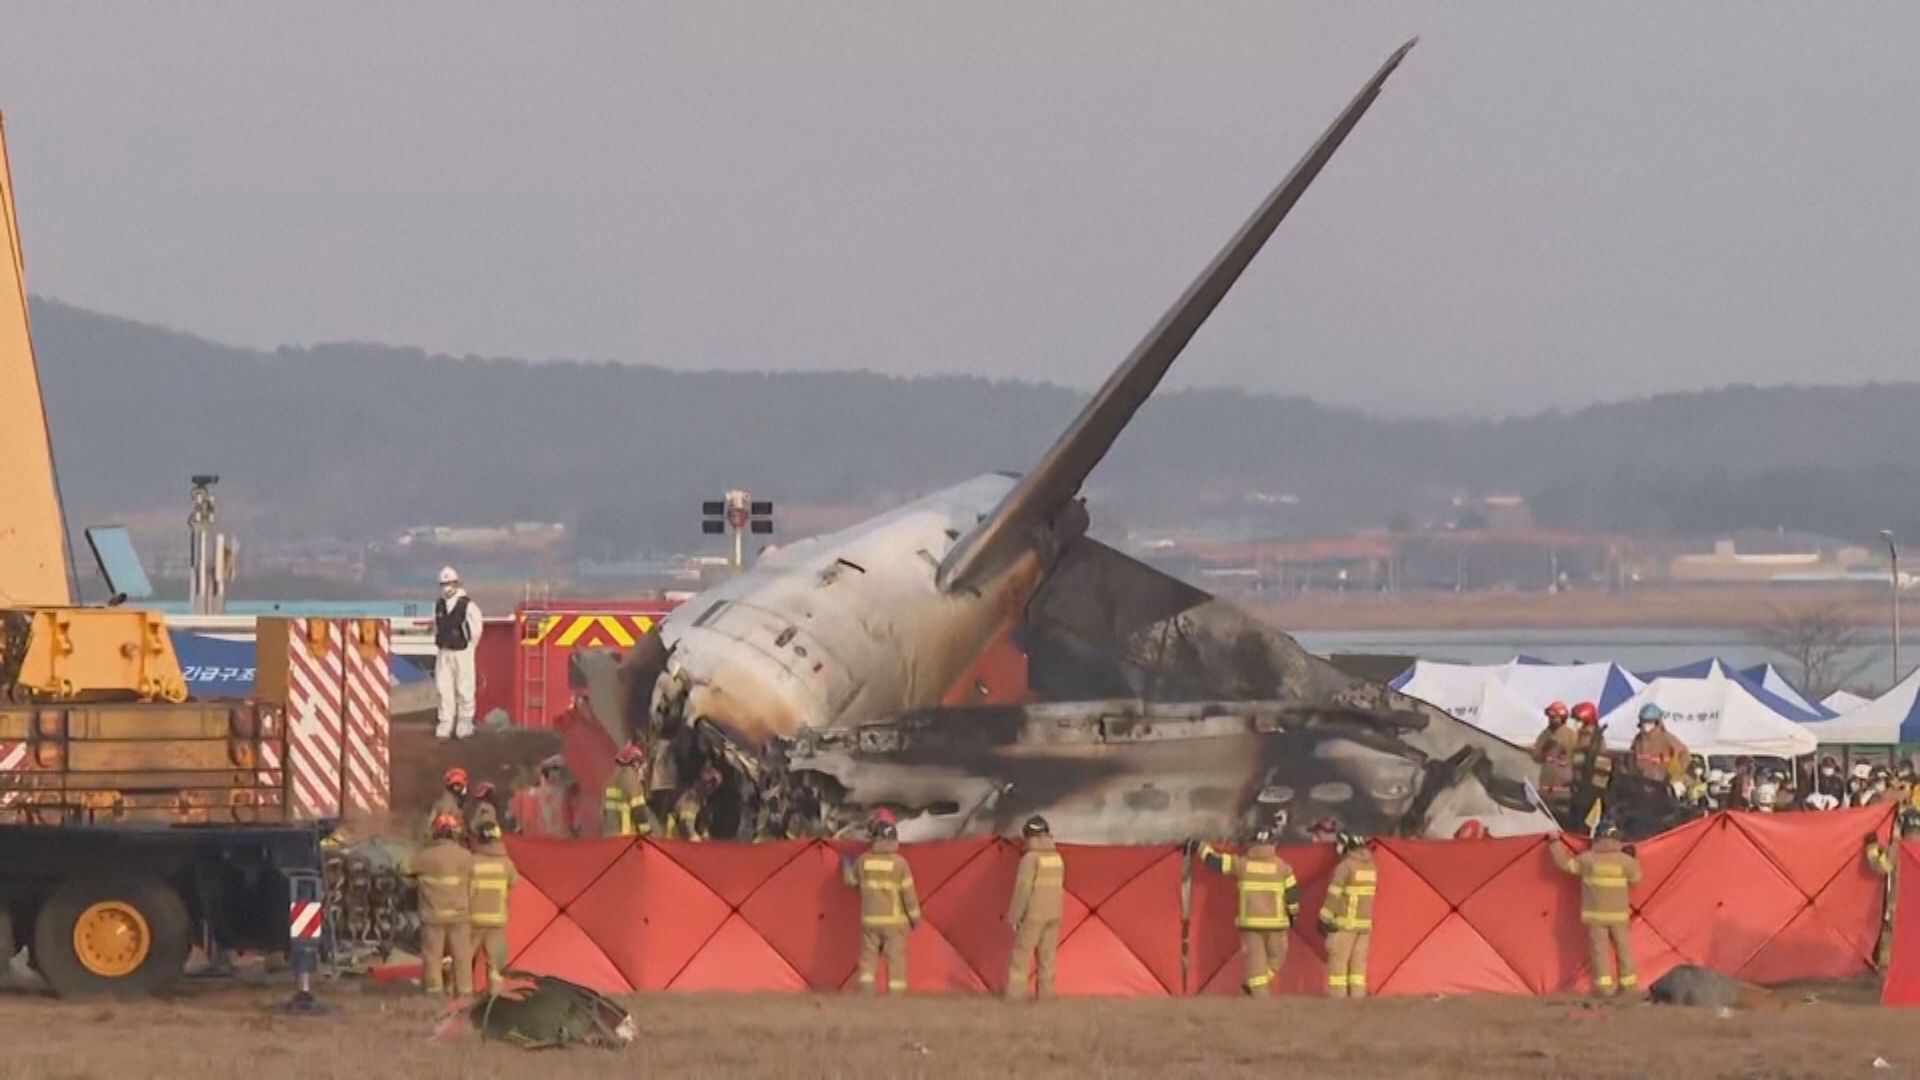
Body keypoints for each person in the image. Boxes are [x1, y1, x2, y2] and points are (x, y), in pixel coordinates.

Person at [1200, 824, 1300, 997]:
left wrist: (1199, 846)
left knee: (1256, 963)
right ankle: (1258, 995)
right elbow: (1292, 895)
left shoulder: (1242, 864)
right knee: (1276, 961)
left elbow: (1214, 862)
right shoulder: (1283, 867)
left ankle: (1255, 992)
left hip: (1250, 924)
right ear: (1273, 844)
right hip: (1276, 924)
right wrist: (1293, 915)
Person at [1552, 821, 1642, 998]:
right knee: (1624, 950)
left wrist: (1554, 843)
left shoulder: (1588, 859)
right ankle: (1628, 987)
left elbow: (1565, 864)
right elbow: (1636, 878)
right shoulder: (1625, 861)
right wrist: (1633, 858)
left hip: (1595, 917)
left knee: (1599, 952)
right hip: (1619, 916)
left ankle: (1604, 989)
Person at [842, 814, 920, 994]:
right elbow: (909, 895)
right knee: (895, 961)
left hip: (869, 921)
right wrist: (915, 918)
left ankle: (866, 993)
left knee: (868, 961)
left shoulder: (863, 861)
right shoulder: (900, 864)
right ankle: (895, 996)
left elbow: (850, 882)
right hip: (893, 922)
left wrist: (846, 864)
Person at [412, 813, 476, 995]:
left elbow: (404, 869)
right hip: (460, 917)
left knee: (433, 957)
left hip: (433, 917)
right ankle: (464, 991)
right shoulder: (466, 856)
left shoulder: (424, 857)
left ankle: (434, 991)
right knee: (462, 957)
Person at [1004, 816, 1066, 1001]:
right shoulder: (1057, 857)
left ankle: (1015, 994)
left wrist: (1014, 916)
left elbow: (1023, 890)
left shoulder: (1029, 860)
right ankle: (1046, 994)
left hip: (1033, 914)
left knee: (1021, 954)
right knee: (1047, 957)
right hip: (1054, 913)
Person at [1318, 832, 1377, 999]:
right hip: (1364, 926)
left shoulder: (1345, 867)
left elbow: (1334, 896)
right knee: (1358, 967)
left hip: (1344, 925)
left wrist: (1324, 918)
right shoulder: (1371, 866)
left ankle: (1339, 1005)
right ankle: (1357, 1002)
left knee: (1338, 966)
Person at [433, 566, 485, 741]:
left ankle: (465, 724)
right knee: (443, 688)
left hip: (463, 651)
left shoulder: (468, 605)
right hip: (444, 652)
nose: (446, 587)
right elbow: (436, 626)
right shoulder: (439, 605)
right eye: (443, 584)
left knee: (465, 689)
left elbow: (477, 630)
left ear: (456, 583)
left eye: (449, 583)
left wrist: (470, 648)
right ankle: (445, 724)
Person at [469, 818, 518, 993]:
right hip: (496, 919)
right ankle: (494, 996)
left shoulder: (471, 861)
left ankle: (461, 994)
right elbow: (514, 881)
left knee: (465, 958)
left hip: (473, 918)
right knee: (494, 964)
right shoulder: (506, 863)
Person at [1531, 701, 1581, 824]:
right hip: (1545, 788)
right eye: (1550, 718)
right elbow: (1536, 757)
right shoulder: (1544, 734)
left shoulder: (1571, 735)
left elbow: (1577, 758)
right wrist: (1545, 749)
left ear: (1563, 718)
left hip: (1563, 789)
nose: (1551, 720)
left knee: (1561, 820)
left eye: (1554, 718)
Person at [1568, 702, 1612, 829]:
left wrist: (1596, 791)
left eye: (1578, 720)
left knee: (1583, 826)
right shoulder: (1581, 737)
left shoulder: (1594, 740)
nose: (1576, 723)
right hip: (1578, 788)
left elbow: (1602, 767)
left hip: (1589, 791)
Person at [513, 755, 577, 838]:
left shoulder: (563, 791)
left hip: (560, 833)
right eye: (554, 770)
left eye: (557, 771)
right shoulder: (532, 792)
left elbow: (570, 808)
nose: (556, 775)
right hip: (541, 833)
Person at [601, 743, 656, 838]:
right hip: (627, 838)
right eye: (640, 763)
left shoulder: (611, 780)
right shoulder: (632, 780)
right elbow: (639, 812)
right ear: (635, 763)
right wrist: (648, 834)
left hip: (610, 837)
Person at [427, 767, 469, 842]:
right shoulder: (450, 804)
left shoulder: (442, 803)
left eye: (459, 786)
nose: (458, 788)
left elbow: (429, 825)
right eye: (457, 785)